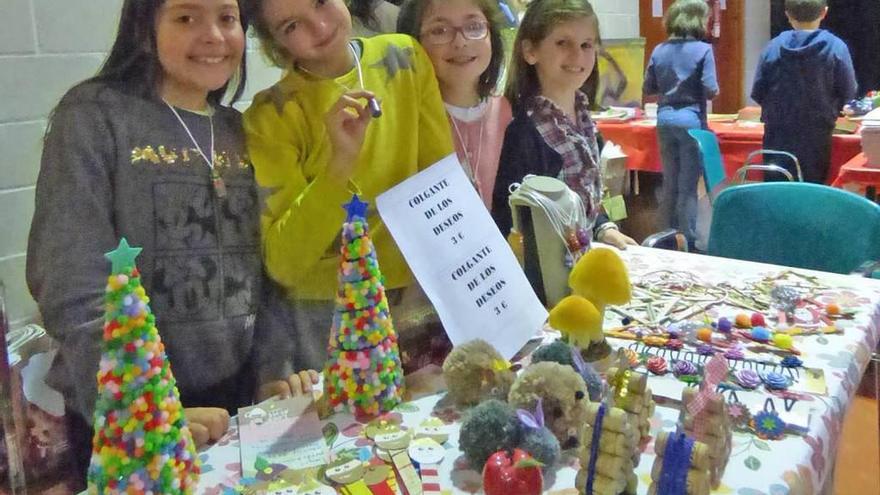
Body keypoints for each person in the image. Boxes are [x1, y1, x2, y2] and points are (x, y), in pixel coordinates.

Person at [26, 0, 314, 487]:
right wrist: (149, 412)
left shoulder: (238, 130)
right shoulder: (94, 116)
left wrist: (272, 369)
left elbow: (263, 269)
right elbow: (72, 280)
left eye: (227, 19)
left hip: (236, 403)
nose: (215, 36)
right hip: (135, 415)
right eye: (186, 18)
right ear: (144, 29)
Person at [243, 0, 453, 372]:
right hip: (331, 310)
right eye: (292, 26)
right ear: (276, 45)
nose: (319, 27)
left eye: (321, 3)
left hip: (418, 291)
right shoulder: (270, 115)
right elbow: (283, 264)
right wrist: (338, 166)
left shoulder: (404, 58)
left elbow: (441, 182)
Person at [492, 0, 636, 249]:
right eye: (562, 43)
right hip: (546, 275)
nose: (577, 55)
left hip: (585, 259)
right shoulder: (520, 131)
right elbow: (512, 220)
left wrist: (603, 226)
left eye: (586, 45)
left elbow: (587, 193)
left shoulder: (584, 120)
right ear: (530, 51)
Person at [397, 0, 511, 209]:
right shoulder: (405, 120)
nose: (460, 42)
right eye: (440, 30)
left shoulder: (507, 112)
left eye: (474, 26)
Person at [751, 0, 857, 183]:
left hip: (777, 133)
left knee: (776, 190)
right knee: (811, 192)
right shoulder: (836, 47)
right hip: (817, 134)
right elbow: (848, 91)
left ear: (787, 14)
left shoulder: (773, 47)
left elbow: (758, 91)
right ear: (824, 13)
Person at [643, 0, 718, 249]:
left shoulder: (659, 50)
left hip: (664, 120)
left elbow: (648, 87)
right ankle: (688, 240)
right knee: (688, 187)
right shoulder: (703, 50)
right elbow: (711, 89)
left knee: (670, 182)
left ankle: (664, 235)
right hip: (692, 121)